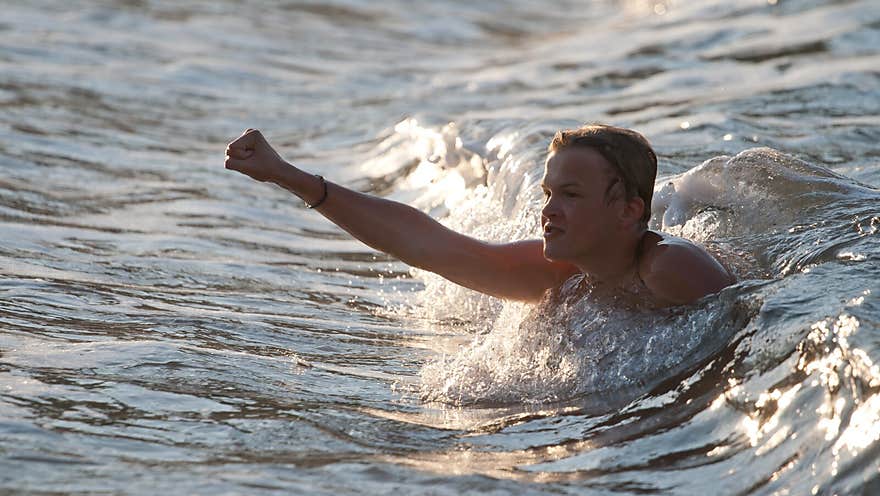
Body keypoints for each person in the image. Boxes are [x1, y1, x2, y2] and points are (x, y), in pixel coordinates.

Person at [224, 124, 734, 306]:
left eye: (571, 196)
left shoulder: (670, 269)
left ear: (628, 212)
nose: (549, 210)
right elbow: (429, 247)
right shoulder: (566, 275)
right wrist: (285, 175)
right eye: (547, 193)